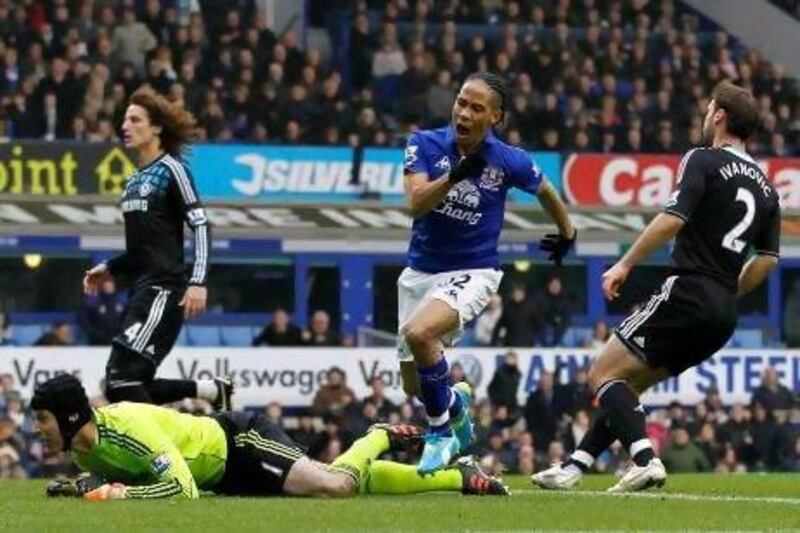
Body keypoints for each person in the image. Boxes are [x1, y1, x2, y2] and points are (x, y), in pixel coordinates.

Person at [533, 81, 780, 492]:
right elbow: (768, 260)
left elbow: (673, 218)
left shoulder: (703, 159)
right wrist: (728, 292)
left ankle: (645, 459)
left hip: (688, 289)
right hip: (722, 313)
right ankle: (576, 467)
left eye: (708, 108)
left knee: (601, 373)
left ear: (719, 115)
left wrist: (625, 263)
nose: (705, 115)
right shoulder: (768, 188)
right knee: (628, 386)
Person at [398, 71, 576, 473]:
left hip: (474, 270)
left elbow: (546, 189)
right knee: (415, 385)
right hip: (419, 273)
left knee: (420, 333)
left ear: (495, 117)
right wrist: (456, 175)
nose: (464, 112)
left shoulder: (509, 160)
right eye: (461, 102)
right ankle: (457, 405)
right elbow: (415, 203)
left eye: (476, 108)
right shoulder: (423, 143)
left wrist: (568, 231)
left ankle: (441, 436)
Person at [33, 375, 508, 500]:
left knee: (336, 486)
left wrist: (115, 494)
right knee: (349, 483)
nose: (39, 429)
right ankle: (457, 478)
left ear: (72, 416)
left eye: (44, 420)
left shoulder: (128, 428)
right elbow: (110, 476)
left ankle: (378, 434)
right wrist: (86, 484)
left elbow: (181, 489)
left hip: (241, 442)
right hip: (228, 476)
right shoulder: (84, 451)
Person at [82, 86, 230, 409]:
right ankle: (211, 392)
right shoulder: (134, 181)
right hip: (142, 290)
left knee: (120, 378)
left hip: (165, 290)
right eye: (124, 120)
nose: (125, 126)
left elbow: (201, 224)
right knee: (125, 382)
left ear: (157, 128)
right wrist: (109, 267)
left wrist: (198, 281)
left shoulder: (173, 171)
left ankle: (164, 448)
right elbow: (140, 251)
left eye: (135, 120)